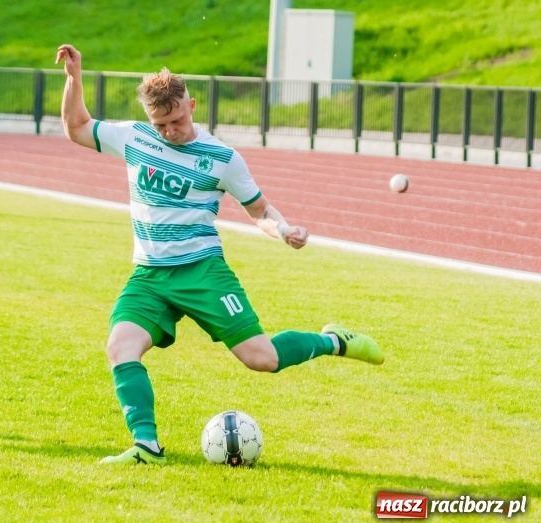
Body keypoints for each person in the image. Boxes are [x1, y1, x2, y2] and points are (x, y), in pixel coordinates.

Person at [55, 44, 384, 466]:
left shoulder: (222, 158)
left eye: (177, 120)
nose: (171, 130)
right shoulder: (135, 138)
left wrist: (284, 230)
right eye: (162, 124)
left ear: (191, 105)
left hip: (203, 271)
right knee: (120, 347)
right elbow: (76, 127)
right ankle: (147, 447)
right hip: (149, 276)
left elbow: (260, 209)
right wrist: (74, 76)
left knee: (262, 359)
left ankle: (334, 340)